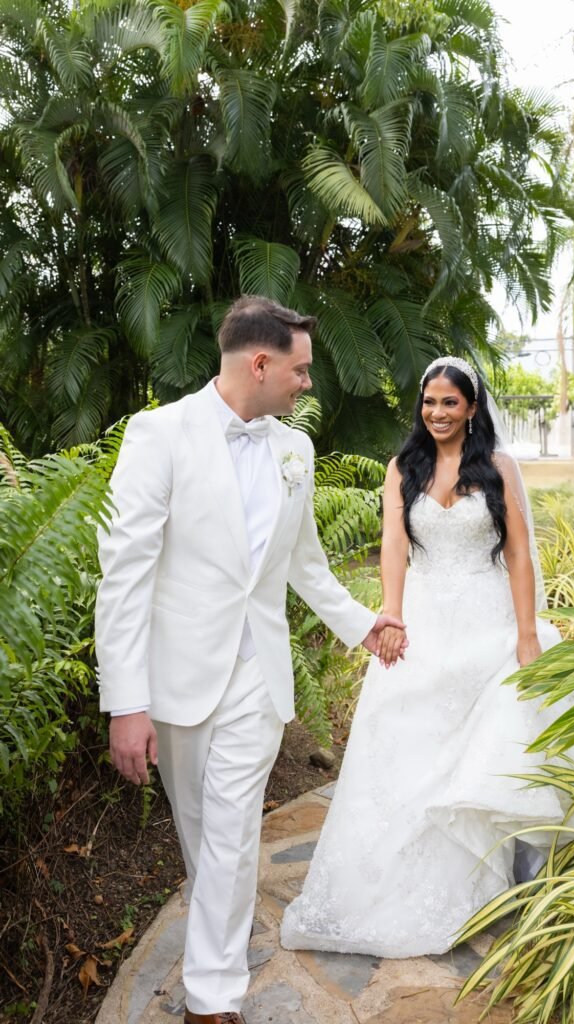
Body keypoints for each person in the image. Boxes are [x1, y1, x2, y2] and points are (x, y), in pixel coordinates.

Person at [94, 296, 407, 1024]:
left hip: (257, 676)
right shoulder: (159, 434)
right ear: (259, 363)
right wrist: (126, 703)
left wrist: (363, 625)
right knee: (204, 836)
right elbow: (125, 576)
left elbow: (307, 563)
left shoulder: (294, 451)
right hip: (177, 676)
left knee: (233, 831)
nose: (308, 383)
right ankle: (219, 951)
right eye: (300, 370)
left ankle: (211, 999)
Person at [281, 355, 574, 958]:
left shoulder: (499, 467)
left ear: (472, 407)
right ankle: (404, 880)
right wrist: (392, 615)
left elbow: (519, 554)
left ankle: (495, 878)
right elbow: (394, 546)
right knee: (408, 740)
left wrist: (527, 635)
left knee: (495, 741)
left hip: (490, 625)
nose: (437, 413)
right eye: (429, 402)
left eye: (450, 402)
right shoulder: (403, 467)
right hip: (427, 621)